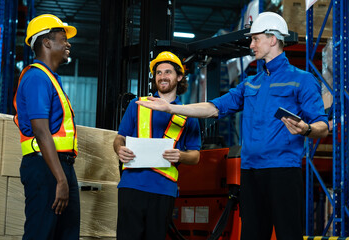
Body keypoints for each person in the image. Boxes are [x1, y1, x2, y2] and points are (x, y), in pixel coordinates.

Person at [137, 12, 329, 240]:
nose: (251, 44)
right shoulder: (250, 84)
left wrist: (306, 129)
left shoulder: (302, 79)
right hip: (250, 172)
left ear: (273, 39)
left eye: (256, 39)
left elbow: (322, 126)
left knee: (288, 234)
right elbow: (213, 108)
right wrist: (171, 108)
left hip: (283, 171)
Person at [113, 51, 201, 240]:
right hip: (131, 186)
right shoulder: (137, 105)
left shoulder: (188, 114)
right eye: (158, 72)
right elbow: (119, 137)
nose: (162, 76)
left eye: (168, 72)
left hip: (163, 189)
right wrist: (119, 149)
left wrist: (181, 156)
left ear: (179, 77)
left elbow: (195, 155)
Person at [13, 14, 80, 240]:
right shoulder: (36, 78)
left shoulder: (51, 78)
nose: (68, 43)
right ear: (47, 42)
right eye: (63, 38)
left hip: (59, 166)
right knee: (41, 234)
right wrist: (60, 179)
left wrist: (64, 176)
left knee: (66, 234)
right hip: (46, 167)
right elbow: (41, 131)